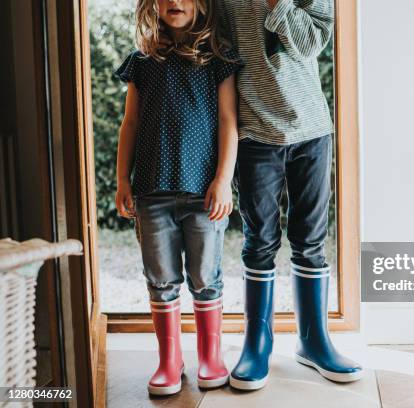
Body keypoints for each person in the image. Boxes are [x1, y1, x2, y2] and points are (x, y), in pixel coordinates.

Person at [218, 0, 364, 390]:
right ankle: (257, 343)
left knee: (311, 240)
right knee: (259, 240)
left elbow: (311, 42)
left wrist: (277, 3)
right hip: (254, 132)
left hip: (312, 131)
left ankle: (313, 341)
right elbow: (217, 50)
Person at [114, 0, 241, 395]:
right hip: (151, 192)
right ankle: (169, 362)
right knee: (162, 280)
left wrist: (223, 180)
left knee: (205, 278)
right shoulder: (142, 61)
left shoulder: (218, 59)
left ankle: (210, 356)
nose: (175, 2)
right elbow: (130, 123)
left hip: (203, 193)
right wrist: (122, 180)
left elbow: (227, 122)